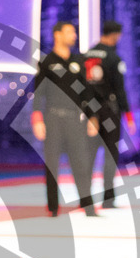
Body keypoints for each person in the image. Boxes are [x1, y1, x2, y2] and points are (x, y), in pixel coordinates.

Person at [31, 21, 97, 217]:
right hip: (53, 119)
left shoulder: (78, 61)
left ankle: (89, 207)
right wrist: (37, 118)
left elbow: (86, 92)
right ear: (57, 35)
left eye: (74, 32)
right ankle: (53, 208)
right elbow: (38, 91)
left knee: (81, 164)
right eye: (69, 32)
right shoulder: (47, 61)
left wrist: (93, 117)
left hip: (74, 120)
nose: (74, 35)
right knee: (52, 165)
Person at [84, 20, 135, 208]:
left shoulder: (87, 54)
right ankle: (108, 198)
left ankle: (86, 197)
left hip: (89, 111)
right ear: (116, 34)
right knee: (110, 154)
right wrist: (128, 114)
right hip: (109, 111)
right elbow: (120, 89)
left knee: (88, 154)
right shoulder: (114, 58)